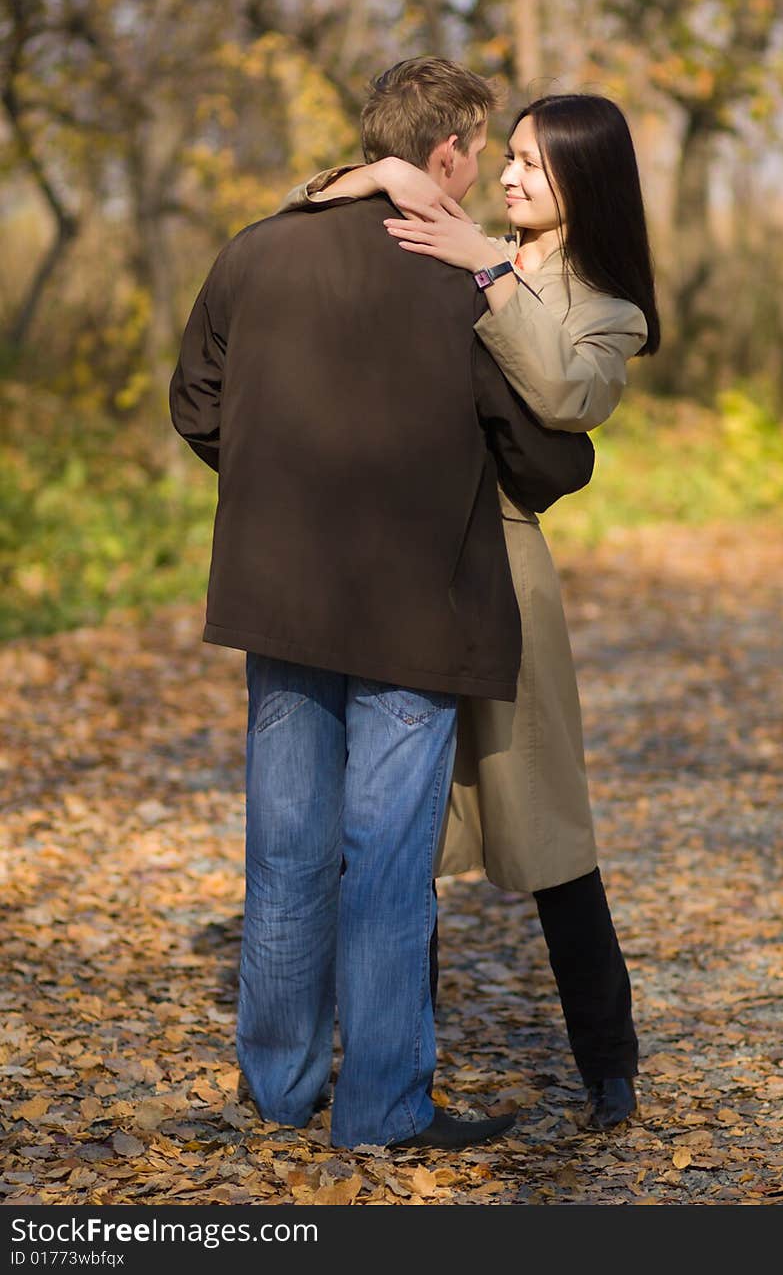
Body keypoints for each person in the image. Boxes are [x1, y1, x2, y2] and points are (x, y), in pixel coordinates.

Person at [168, 57, 596, 1153]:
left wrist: (269, 484)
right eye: (479, 151)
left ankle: (278, 1090)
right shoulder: (460, 281)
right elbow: (540, 455)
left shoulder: (254, 250)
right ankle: (382, 1111)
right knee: (386, 866)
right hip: (418, 608)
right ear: (446, 153)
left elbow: (196, 402)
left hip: (278, 595)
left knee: (286, 853)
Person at [276, 87, 661, 1131]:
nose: (508, 176)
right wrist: (381, 177)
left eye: (533, 163)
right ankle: (401, 1077)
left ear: (583, 179)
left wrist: (487, 269)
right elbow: (309, 218)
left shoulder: (605, 305)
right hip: (402, 560)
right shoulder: (457, 235)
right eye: (510, 157)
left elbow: (567, 401)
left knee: (548, 828)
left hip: (505, 564)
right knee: (398, 832)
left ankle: (607, 1059)